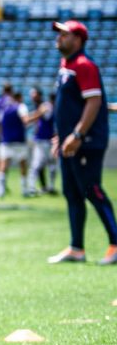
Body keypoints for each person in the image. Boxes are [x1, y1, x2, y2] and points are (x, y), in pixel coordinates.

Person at [48, 20, 117, 265]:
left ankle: (115, 244)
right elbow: (70, 104)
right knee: (72, 193)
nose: (59, 38)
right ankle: (76, 248)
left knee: (92, 190)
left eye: (64, 35)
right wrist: (61, 134)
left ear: (78, 39)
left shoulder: (84, 65)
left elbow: (93, 102)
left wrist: (76, 135)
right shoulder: (66, 64)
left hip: (86, 142)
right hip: (70, 141)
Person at [0, 91, 31, 198]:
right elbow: (26, 120)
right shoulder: (21, 107)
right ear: (19, 98)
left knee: (3, 165)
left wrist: (2, 137)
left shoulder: (3, 110)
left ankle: (1, 190)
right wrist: (39, 113)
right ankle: (24, 190)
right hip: (19, 140)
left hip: (6, 141)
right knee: (23, 164)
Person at [24, 87, 58, 195]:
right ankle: (32, 188)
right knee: (37, 164)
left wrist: (30, 118)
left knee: (50, 165)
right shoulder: (41, 106)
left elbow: (33, 118)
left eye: (34, 94)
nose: (32, 97)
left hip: (48, 140)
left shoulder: (46, 106)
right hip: (40, 140)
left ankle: (50, 187)